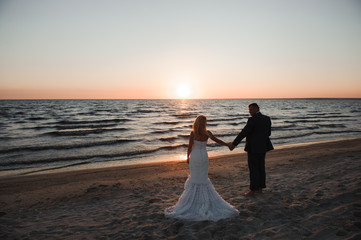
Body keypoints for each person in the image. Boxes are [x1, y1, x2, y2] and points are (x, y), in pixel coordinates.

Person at [164, 115, 239, 221]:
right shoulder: (208, 133)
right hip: (204, 157)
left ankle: (194, 201)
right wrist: (227, 144)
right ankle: (204, 200)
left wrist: (187, 157)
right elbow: (218, 141)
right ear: (204, 123)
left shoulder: (193, 133)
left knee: (195, 178)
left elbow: (190, 147)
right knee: (203, 179)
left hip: (195, 157)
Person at [229, 103, 273, 196]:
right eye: (249, 110)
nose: (250, 112)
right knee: (261, 167)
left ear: (257, 109)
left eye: (251, 110)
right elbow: (269, 133)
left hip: (253, 147)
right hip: (263, 147)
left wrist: (233, 144)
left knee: (253, 169)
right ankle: (260, 188)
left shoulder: (252, 120)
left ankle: (253, 190)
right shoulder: (267, 118)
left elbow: (244, 133)